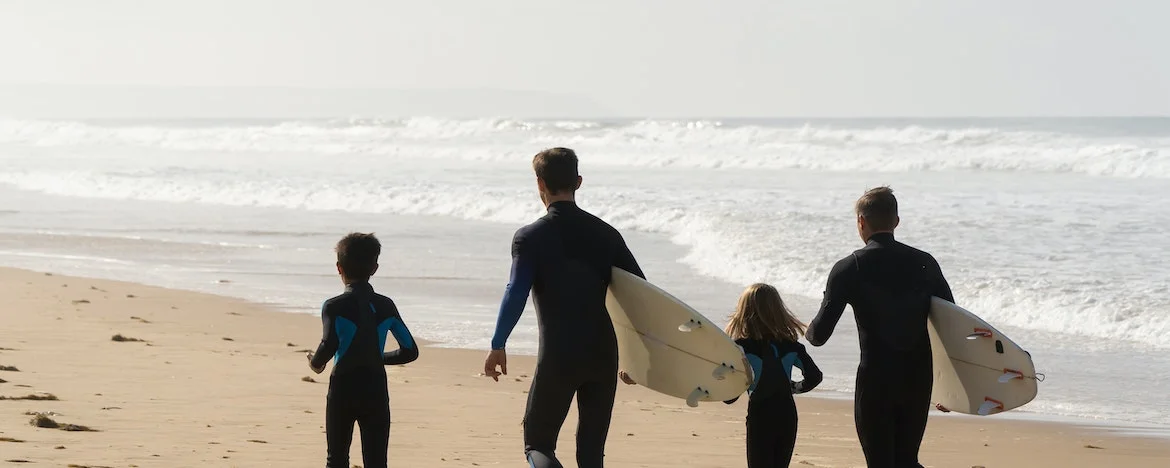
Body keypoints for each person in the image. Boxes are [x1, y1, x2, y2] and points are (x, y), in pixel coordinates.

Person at [483, 147, 645, 468]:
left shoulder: (530, 237)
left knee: (538, 443)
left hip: (559, 355)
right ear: (579, 182)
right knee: (591, 453)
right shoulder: (607, 235)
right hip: (603, 356)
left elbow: (516, 292)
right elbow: (639, 295)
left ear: (539, 183)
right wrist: (637, 357)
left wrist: (498, 344)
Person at [805, 186, 954, 468]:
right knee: (907, 460)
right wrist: (952, 388)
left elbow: (819, 335)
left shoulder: (849, 268)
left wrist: (805, 329)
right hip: (918, 380)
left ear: (861, 222)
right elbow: (951, 325)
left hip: (877, 381)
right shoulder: (925, 263)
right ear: (896, 221)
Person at [306, 232, 420, 468]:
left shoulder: (333, 306)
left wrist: (316, 364)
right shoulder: (385, 305)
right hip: (375, 388)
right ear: (375, 268)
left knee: (336, 459)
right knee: (376, 461)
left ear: (339, 268)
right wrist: (377, 358)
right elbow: (409, 350)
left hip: (343, 388)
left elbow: (329, 344)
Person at [722, 283, 823, 468]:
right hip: (787, 416)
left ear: (743, 311)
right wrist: (792, 387)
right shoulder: (791, 345)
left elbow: (729, 398)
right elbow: (814, 377)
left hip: (760, 416)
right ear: (778, 311)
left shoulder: (740, 349)